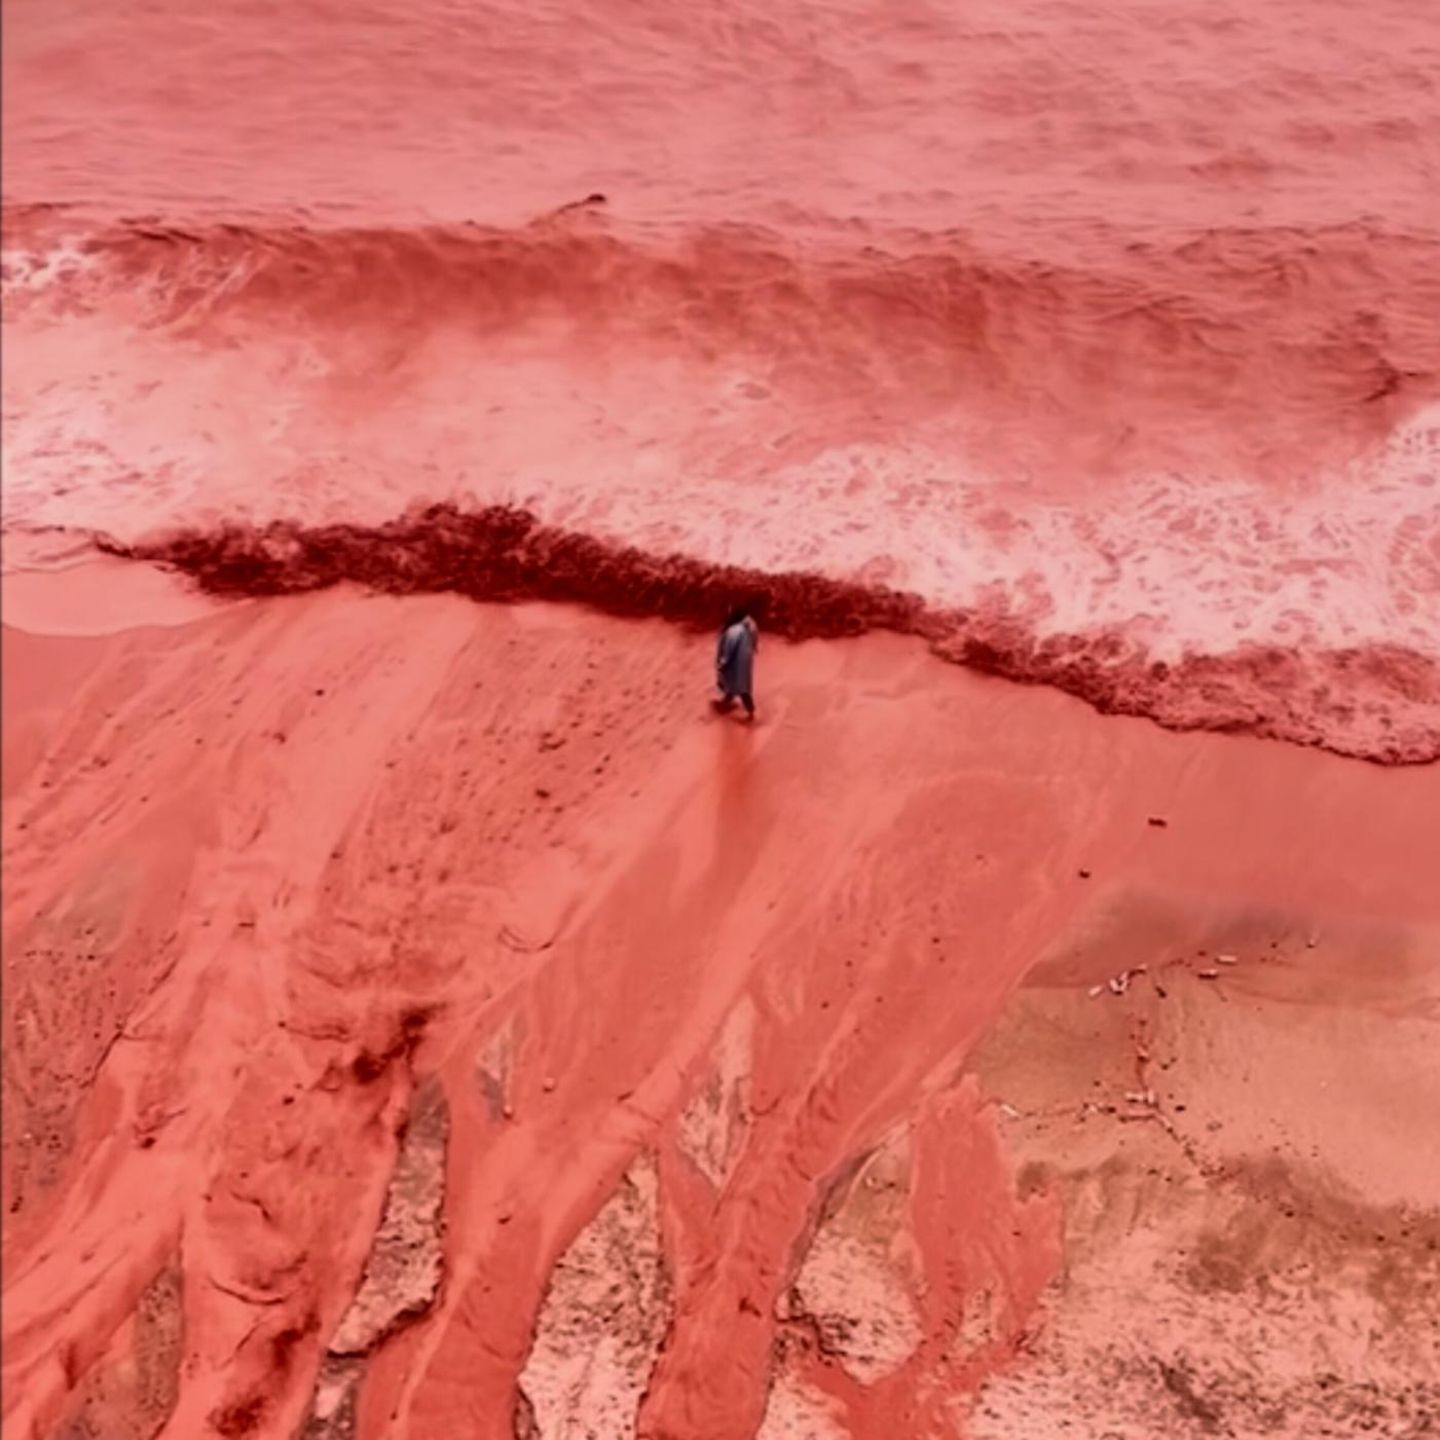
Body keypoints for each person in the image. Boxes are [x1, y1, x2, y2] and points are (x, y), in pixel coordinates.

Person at [714, 606, 758, 718]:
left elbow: (729, 649)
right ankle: (727, 703)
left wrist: (723, 663)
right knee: (737, 685)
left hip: (735, 663)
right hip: (744, 662)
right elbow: (753, 642)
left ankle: (750, 712)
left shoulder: (733, 631)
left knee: (739, 687)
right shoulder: (747, 627)